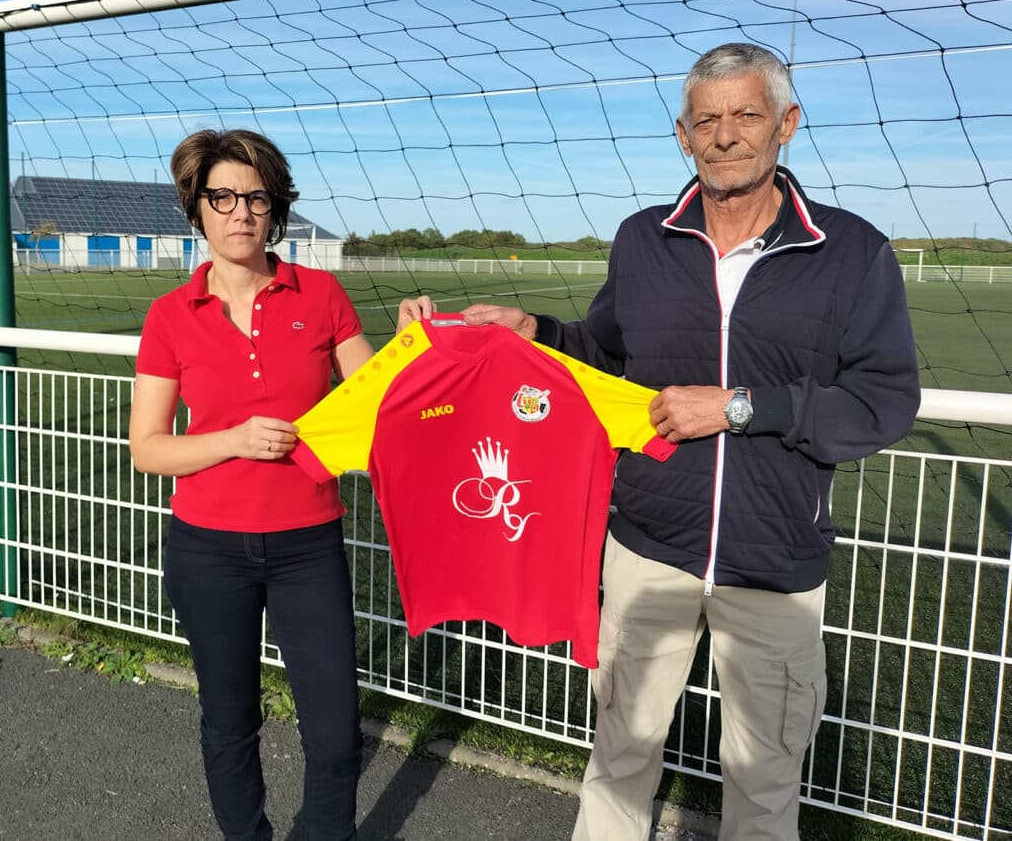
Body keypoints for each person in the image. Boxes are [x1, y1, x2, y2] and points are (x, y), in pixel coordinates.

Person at [412, 42, 921, 840]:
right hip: (647, 548)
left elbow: (884, 400)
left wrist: (743, 408)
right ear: (682, 137)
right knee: (617, 760)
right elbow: (608, 353)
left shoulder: (852, 252)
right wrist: (537, 332)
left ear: (786, 124)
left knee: (763, 783)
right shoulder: (643, 239)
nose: (726, 136)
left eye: (747, 115)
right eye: (706, 120)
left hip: (775, 562)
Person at [129, 129, 375, 841]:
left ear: (275, 210)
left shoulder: (321, 293)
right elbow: (148, 449)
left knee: (334, 734)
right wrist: (235, 441)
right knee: (229, 720)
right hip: (207, 552)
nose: (241, 212)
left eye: (256, 197)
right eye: (223, 197)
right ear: (197, 209)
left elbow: (377, 400)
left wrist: (417, 339)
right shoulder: (170, 316)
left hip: (308, 546)